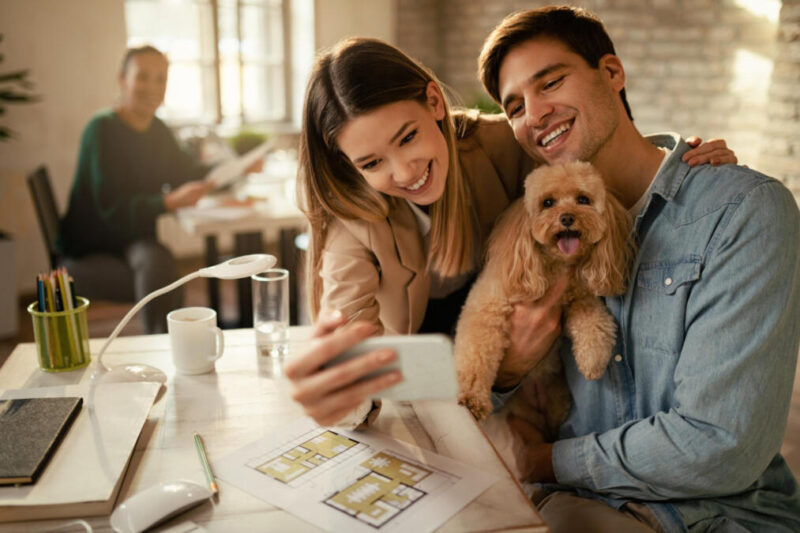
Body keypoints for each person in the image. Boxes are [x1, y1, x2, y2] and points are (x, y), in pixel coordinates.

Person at [284, 37, 735, 429]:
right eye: (371, 163)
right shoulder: (352, 222)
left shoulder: (500, 144)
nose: (405, 171)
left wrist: (677, 161)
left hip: (535, 387)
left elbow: (589, 169)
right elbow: (349, 359)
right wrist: (340, 398)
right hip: (434, 392)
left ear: (435, 103)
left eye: (407, 138)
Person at [473, 6, 800, 532]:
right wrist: (510, 369)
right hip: (568, 504)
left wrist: (545, 459)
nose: (534, 114)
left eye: (551, 81)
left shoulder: (740, 213)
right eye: (514, 108)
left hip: (713, 517)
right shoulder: (533, 228)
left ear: (612, 73)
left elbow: (720, 444)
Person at [57, 45, 214, 333]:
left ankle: (167, 344)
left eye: (161, 79)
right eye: (143, 77)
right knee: (162, 274)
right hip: (89, 254)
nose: (153, 87)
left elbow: (185, 172)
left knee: (159, 266)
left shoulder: (157, 130)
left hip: (132, 244)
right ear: (122, 79)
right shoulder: (101, 129)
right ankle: (163, 345)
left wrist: (233, 169)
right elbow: (112, 210)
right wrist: (167, 203)